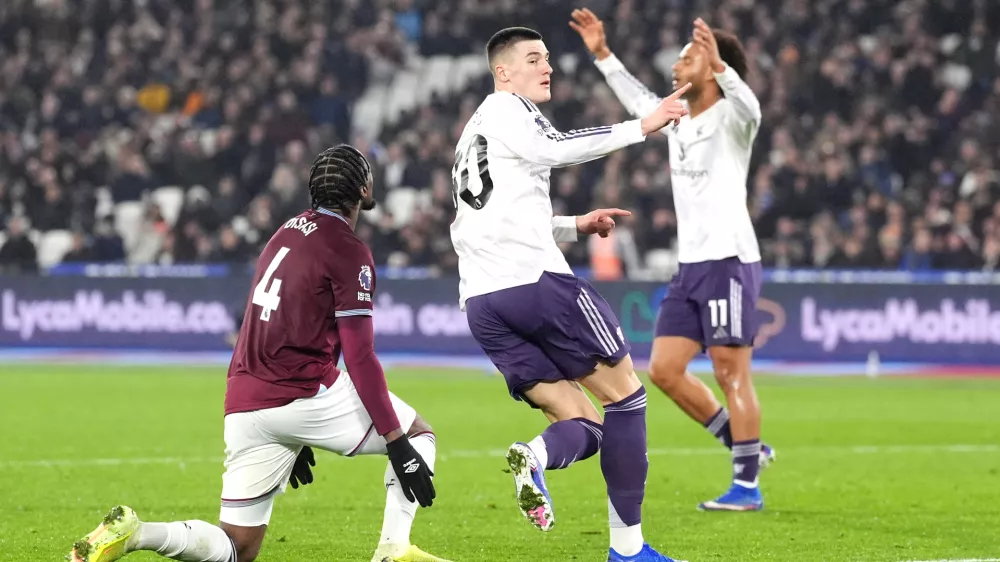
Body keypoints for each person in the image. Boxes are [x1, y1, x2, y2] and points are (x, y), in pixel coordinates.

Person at [69, 145, 450, 562]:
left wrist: (295, 435)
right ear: (363, 188)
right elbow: (360, 357)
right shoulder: (349, 249)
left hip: (246, 400)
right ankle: (393, 550)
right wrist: (395, 442)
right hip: (302, 392)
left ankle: (138, 533)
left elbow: (270, 322)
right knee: (419, 434)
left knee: (237, 548)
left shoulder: (285, 232)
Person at [451, 26, 690, 562]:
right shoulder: (512, 110)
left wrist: (572, 224)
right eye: (534, 59)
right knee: (627, 397)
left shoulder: (475, 132)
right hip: (535, 285)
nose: (548, 67)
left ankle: (532, 456)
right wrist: (642, 127)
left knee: (585, 422)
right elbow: (556, 149)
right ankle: (628, 552)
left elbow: (497, 216)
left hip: (484, 302)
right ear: (503, 72)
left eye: (549, 59)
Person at [571, 9, 774, 512]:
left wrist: (721, 65)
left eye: (688, 56)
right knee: (663, 370)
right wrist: (601, 53)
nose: (676, 65)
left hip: (729, 260)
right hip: (691, 267)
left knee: (731, 374)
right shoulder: (678, 119)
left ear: (712, 67)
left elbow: (753, 106)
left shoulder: (732, 116)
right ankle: (745, 446)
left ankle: (746, 486)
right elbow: (639, 101)